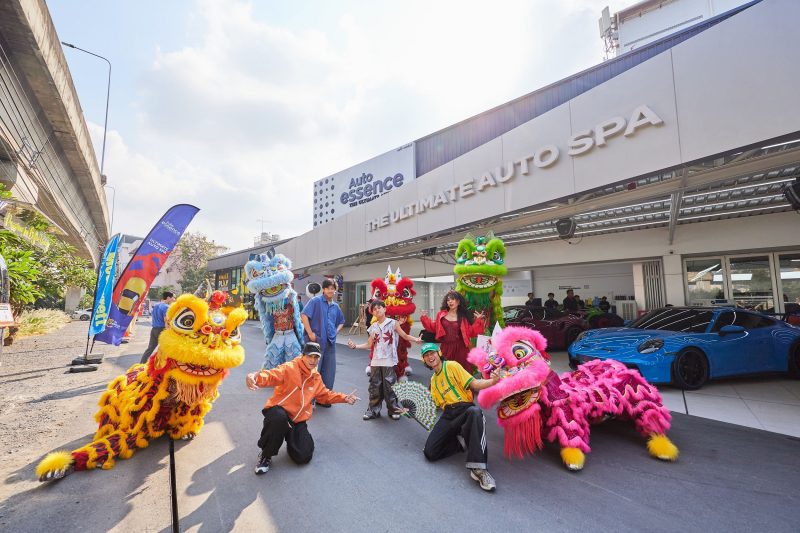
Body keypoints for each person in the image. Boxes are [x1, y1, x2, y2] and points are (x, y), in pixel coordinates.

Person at [246, 342, 360, 475]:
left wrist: (344, 398)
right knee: (278, 418)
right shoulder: (290, 368)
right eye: (310, 356)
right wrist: (254, 377)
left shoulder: (316, 378)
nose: (313, 360)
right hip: (280, 413)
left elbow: (325, 395)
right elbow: (271, 375)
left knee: (303, 456)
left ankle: (290, 437)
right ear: (303, 355)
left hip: (297, 420)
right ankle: (266, 455)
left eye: (316, 357)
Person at [420, 343, 500, 492]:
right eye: (426, 355)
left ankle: (479, 469)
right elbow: (436, 405)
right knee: (430, 452)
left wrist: (492, 382)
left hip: (464, 408)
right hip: (448, 415)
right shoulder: (433, 381)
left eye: (432, 353)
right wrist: (413, 410)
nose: (430, 357)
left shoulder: (452, 366)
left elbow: (474, 383)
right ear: (424, 360)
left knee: (475, 412)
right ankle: (460, 444)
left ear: (439, 353)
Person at [348, 300, 422, 421]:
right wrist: (355, 346)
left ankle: (393, 410)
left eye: (379, 307)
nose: (377, 310)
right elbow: (369, 344)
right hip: (376, 361)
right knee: (374, 387)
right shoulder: (373, 327)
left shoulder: (393, 323)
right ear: (372, 313)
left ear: (384, 309)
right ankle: (373, 410)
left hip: (389, 360)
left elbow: (404, 335)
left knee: (390, 386)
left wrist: (416, 339)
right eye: (374, 309)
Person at [300, 279, 345, 405]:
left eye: (332, 288)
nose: (330, 290)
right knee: (313, 371)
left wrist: (335, 332)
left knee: (329, 372)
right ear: (324, 289)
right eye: (328, 288)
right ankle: (309, 400)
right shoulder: (316, 301)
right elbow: (304, 315)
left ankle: (324, 398)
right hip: (316, 343)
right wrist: (310, 333)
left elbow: (341, 321)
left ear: (335, 290)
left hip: (330, 343)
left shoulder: (335, 306)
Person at [419, 291, 485, 374]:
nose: (450, 301)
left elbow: (470, 332)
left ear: (458, 302)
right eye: (448, 300)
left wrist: (478, 320)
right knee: (445, 371)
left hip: (461, 349)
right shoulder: (441, 315)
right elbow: (434, 327)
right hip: (446, 348)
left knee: (462, 373)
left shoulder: (463, 317)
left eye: (453, 299)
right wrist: (424, 318)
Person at [140, 291, 175, 364]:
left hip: (154, 329)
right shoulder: (166, 307)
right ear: (168, 297)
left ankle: (142, 363)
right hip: (161, 330)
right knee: (165, 348)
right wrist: (169, 331)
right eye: (172, 298)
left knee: (150, 348)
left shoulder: (156, 305)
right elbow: (166, 321)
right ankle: (162, 365)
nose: (173, 299)